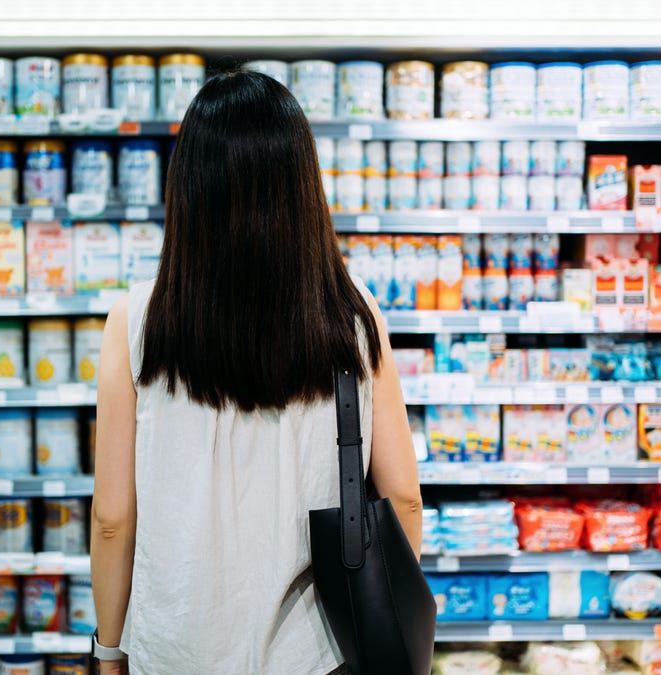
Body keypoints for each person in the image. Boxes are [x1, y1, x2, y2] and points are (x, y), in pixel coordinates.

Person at [90, 70, 423, 675]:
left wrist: (109, 650)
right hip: (315, 653)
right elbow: (402, 495)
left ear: (187, 186)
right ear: (302, 186)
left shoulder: (135, 320)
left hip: (175, 651)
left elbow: (113, 519)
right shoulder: (351, 314)